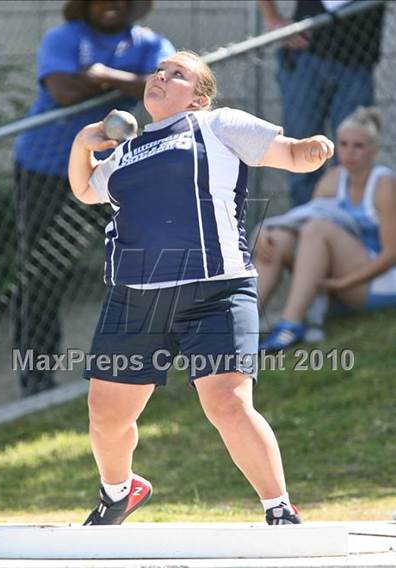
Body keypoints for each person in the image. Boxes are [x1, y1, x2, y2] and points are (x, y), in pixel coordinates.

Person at [68, 50, 334, 525]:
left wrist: (310, 148)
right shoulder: (126, 149)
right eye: (158, 72)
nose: (161, 77)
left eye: (177, 75)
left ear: (198, 98)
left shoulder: (218, 125)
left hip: (216, 289)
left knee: (228, 403)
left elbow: (290, 153)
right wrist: (83, 145)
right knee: (106, 415)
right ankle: (118, 491)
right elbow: (87, 190)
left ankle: (279, 508)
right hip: (136, 297)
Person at [12, 0, 175, 396]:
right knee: (44, 271)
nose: (112, 4)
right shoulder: (63, 38)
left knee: (143, 261)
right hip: (46, 170)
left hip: (114, 173)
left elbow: (167, 92)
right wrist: (132, 82)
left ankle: (143, 359)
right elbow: (64, 92)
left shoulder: (150, 42)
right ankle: (38, 374)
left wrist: (102, 75)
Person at [255, 107, 396, 353]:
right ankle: (239, 326)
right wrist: (265, 229)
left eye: (359, 145)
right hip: (333, 280)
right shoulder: (332, 179)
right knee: (276, 239)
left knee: (318, 228)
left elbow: (391, 253)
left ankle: (291, 324)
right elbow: (302, 221)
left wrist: (342, 284)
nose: (349, 152)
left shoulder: (384, 184)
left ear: (373, 150)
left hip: (374, 282)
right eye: (343, 144)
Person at [258, 0, 385, 207]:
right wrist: (273, 19)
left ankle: (344, 229)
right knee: (301, 157)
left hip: (359, 62)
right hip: (307, 57)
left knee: (352, 160)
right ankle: (305, 227)